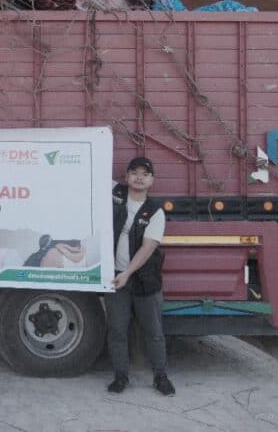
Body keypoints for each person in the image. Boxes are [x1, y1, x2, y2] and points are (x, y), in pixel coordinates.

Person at [106, 157, 175, 397]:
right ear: (126, 177)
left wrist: (127, 273)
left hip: (144, 279)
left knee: (153, 331)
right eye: (134, 172)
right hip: (115, 278)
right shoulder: (114, 194)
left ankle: (161, 376)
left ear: (151, 181)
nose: (138, 177)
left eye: (144, 174)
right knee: (117, 330)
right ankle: (120, 376)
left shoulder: (156, 211)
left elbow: (147, 247)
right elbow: (89, 173)